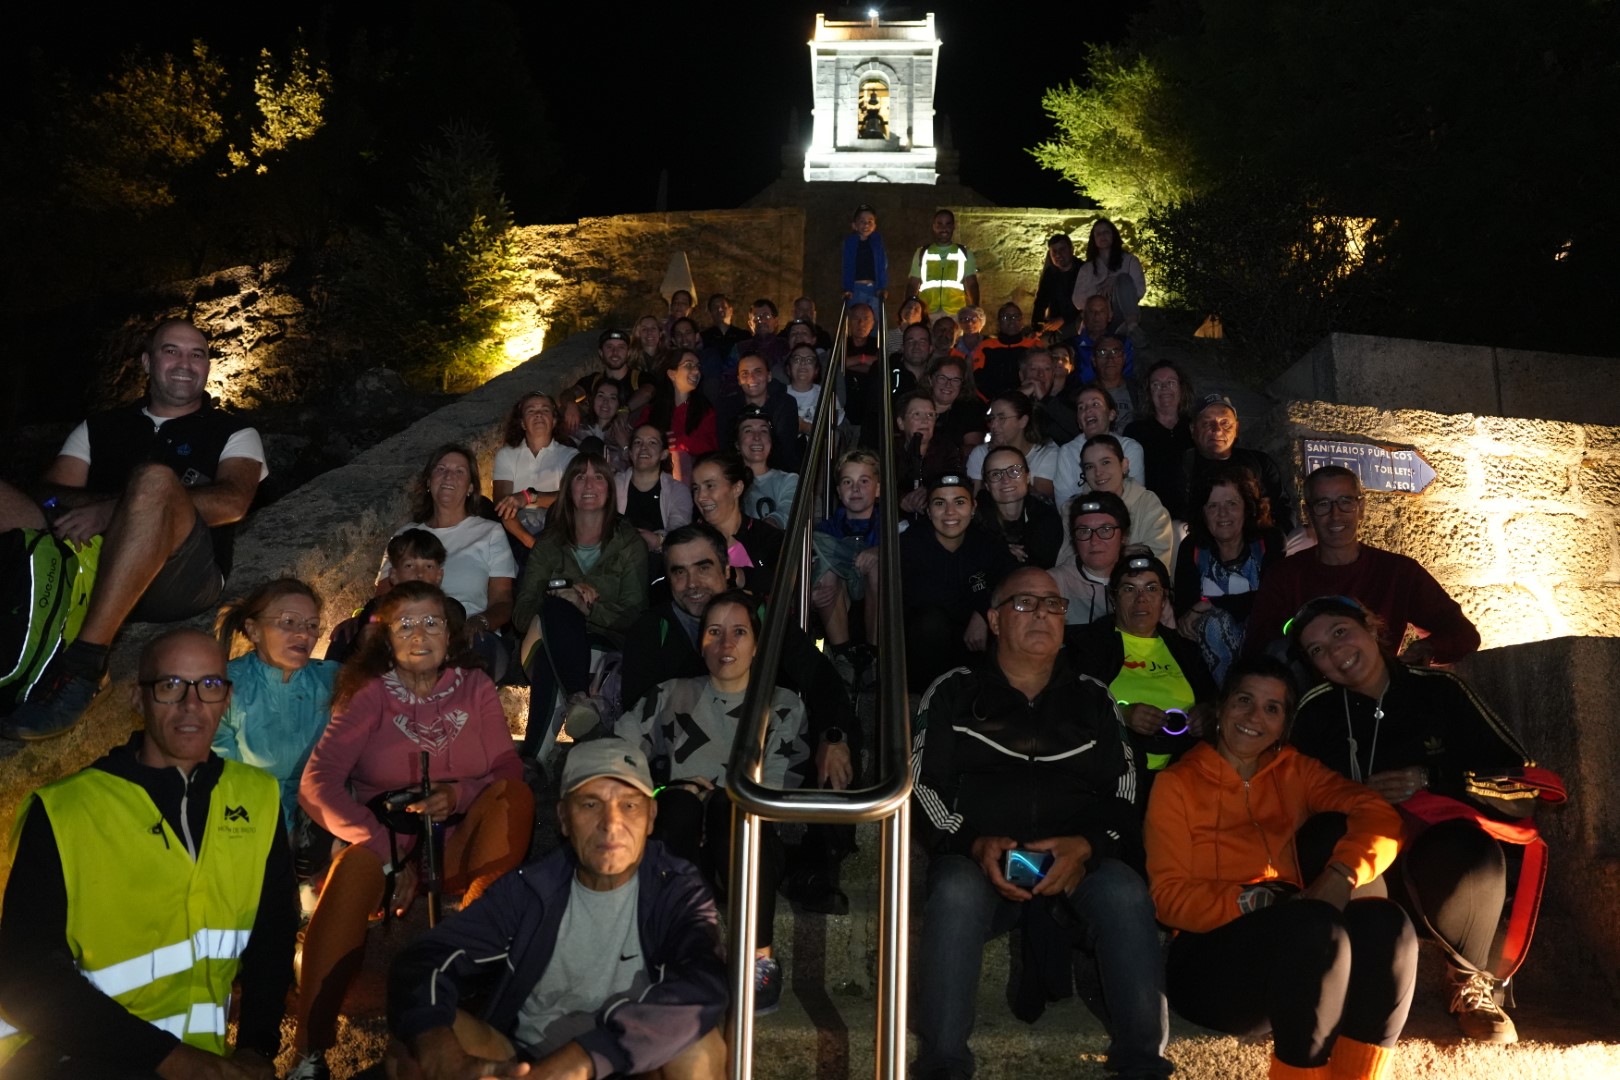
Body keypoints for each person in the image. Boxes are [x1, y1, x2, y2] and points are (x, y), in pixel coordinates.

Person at [911, 566, 1173, 1080]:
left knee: (1123, 892)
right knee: (956, 893)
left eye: (1053, 606)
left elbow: (1123, 792)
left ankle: (1142, 1066)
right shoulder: (953, 691)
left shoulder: (1095, 698)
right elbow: (924, 787)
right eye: (1025, 604)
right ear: (993, 619)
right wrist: (972, 842)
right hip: (979, 856)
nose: (1043, 616)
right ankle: (942, 1066)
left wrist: (1087, 845)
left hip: (1075, 858)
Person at [0, 628, 296, 1079]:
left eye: (209, 686)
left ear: (227, 697)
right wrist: (174, 1061)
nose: (191, 705)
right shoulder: (66, 810)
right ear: (138, 700)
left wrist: (256, 1048)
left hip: (200, 1058)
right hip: (70, 1056)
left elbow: (273, 933)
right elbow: (24, 977)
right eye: (170, 685)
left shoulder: (257, 795)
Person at [1289, 596, 1556, 1044]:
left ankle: (1468, 980)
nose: (1334, 652)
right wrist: (1358, 796)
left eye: (1340, 632)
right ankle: (1354, 975)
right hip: (1366, 872)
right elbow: (1293, 793)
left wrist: (1431, 778)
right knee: (1323, 835)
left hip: (1443, 866)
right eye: (1316, 650)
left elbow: (1517, 777)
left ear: (1372, 627)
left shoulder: (1440, 691)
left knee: (1468, 849)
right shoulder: (1315, 709)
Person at [293, 582, 532, 1080]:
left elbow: (507, 768)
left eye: (432, 622)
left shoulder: (475, 687)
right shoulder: (368, 694)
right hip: (385, 838)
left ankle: (472, 950)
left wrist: (461, 794)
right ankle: (310, 1050)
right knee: (353, 865)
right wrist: (383, 854)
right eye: (406, 623)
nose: (420, 634)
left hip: (457, 840)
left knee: (516, 798)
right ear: (386, 637)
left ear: (450, 633)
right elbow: (316, 784)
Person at [385, 737, 728, 1080]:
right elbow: (424, 961)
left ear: (651, 818)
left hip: (631, 1064)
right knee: (415, 1046)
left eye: (629, 806)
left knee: (700, 1047)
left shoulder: (676, 887)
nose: (611, 824)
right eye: (591, 805)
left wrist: (585, 1059)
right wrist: (438, 1049)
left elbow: (701, 986)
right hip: (530, 1066)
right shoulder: (531, 890)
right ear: (563, 818)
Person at [1145, 657, 1416, 1080]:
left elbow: (1377, 812)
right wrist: (1258, 901)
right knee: (1313, 925)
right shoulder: (1176, 783)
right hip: (1209, 960)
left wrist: (1342, 874)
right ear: (1220, 708)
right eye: (1244, 701)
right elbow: (1168, 899)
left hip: (1297, 949)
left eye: (1272, 708)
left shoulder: (1294, 770)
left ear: (1285, 723)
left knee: (1388, 924)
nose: (1255, 717)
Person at [1, 318, 268, 740]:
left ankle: (86, 664)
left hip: (181, 579)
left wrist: (114, 510)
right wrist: (93, 512)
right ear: (146, 362)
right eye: (171, 351)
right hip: (91, 559)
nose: (186, 362)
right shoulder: (100, 427)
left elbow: (231, 502)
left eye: (197, 354)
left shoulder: (234, 432)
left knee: (156, 480)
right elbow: (49, 493)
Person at [618, 593, 808, 1009]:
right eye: (714, 633)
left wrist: (720, 794)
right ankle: (680, 953)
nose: (726, 645)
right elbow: (620, 753)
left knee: (730, 807)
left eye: (739, 633)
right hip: (684, 840)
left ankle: (759, 959)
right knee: (680, 803)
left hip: (749, 845)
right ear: (701, 642)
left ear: (756, 644)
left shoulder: (782, 705)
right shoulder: (671, 694)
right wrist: (659, 792)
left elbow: (778, 788)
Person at [1243, 466, 1479, 662]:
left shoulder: (1398, 572)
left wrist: (1425, 650)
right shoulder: (1284, 576)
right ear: (1308, 513)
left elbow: (1462, 633)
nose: (1336, 515)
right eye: (1323, 504)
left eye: (1345, 501)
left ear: (1362, 508)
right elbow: (1258, 652)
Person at [214, 578, 337, 913]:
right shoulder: (226, 685)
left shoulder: (333, 680)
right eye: (288, 622)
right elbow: (226, 777)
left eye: (312, 626)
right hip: (251, 821)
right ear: (253, 631)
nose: (304, 634)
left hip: (321, 819)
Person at [514, 453, 650, 746]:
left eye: (598, 477)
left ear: (610, 489)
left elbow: (636, 617)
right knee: (557, 608)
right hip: (542, 638)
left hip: (605, 649)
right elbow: (522, 615)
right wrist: (562, 597)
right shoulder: (547, 545)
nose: (589, 484)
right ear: (568, 489)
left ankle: (532, 759)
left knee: (552, 663)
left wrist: (588, 609)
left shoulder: (629, 544)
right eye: (579, 477)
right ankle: (580, 702)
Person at [1068, 547, 1216, 782]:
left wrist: (1208, 715)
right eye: (1129, 589)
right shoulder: (1088, 646)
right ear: (1113, 598)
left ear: (1164, 599)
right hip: (1116, 771)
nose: (1142, 598)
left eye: (1152, 588)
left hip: (1186, 770)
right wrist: (1121, 715)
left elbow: (1214, 700)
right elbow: (1070, 706)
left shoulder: (1185, 650)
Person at [377, 445, 516, 677]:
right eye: (441, 469)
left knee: (472, 646)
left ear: (471, 487)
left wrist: (479, 622)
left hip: (469, 632)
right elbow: (382, 597)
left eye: (459, 471)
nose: (449, 475)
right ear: (429, 482)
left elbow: (502, 601)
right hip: (412, 630)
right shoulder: (405, 536)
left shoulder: (490, 533)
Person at [898, 473, 1017, 694]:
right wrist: (980, 606)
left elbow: (1011, 582)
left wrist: (983, 614)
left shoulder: (987, 543)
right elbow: (921, 600)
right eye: (940, 503)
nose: (950, 512)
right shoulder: (910, 546)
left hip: (974, 648)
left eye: (959, 502)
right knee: (930, 623)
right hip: (925, 656)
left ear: (973, 508)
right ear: (928, 510)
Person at [1174, 465, 1285, 683]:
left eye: (1232, 504)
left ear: (1247, 507)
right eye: (1213, 506)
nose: (1223, 514)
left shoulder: (1270, 540)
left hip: (1264, 653)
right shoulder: (1192, 547)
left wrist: (1210, 604)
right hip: (1208, 665)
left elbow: (1270, 600)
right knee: (1214, 624)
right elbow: (1186, 613)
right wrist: (1219, 609)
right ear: (1202, 513)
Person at [811, 450, 883, 683]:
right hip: (841, 595)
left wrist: (880, 550)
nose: (855, 489)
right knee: (824, 567)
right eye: (847, 482)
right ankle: (842, 655)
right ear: (839, 491)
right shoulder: (824, 531)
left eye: (864, 481)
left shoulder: (891, 526)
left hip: (875, 593)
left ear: (878, 489)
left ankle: (875, 656)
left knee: (880, 561)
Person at [1182, 393, 1294, 533]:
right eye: (1207, 423)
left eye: (1225, 423)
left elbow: (1282, 507)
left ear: (1236, 428)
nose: (1217, 431)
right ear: (1193, 430)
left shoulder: (1259, 462)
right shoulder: (1183, 467)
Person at [1070, 434, 1174, 569]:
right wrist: (1121, 555)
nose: (1098, 472)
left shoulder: (1149, 505)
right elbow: (1067, 563)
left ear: (1124, 465)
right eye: (1090, 467)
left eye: (1105, 462)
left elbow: (1158, 564)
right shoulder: (1072, 509)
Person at [689, 451, 783, 596]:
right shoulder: (688, 540)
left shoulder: (767, 537)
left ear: (737, 488)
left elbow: (785, 584)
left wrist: (736, 575)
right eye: (696, 488)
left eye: (710, 486)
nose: (700, 497)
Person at [492, 392, 579, 548]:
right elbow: (502, 504)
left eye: (545, 410)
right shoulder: (506, 455)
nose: (538, 414)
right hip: (516, 530)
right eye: (531, 411)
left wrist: (528, 497)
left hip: (555, 528)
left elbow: (572, 497)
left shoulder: (570, 455)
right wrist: (532, 544)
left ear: (554, 421)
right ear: (523, 423)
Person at [615, 423, 694, 569]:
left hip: (660, 565)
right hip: (618, 562)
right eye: (638, 442)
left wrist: (658, 540)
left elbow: (680, 530)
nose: (644, 447)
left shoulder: (677, 490)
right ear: (630, 453)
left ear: (663, 454)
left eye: (652, 442)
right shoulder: (614, 485)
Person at [1053, 385, 1147, 509]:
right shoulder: (1067, 452)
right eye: (1081, 407)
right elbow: (1064, 506)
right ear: (1079, 422)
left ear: (1111, 414)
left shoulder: (1130, 448)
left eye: (1095, 404)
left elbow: (1135, 498)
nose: (1087, 410)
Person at [1124, 360, 1196, 518]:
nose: (1164, 388)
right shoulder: (1135, 432)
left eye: (1170, 383)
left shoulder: (1196, 428)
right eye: (1156, 384)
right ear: (1149, 393)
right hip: (1152, 517)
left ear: (1181, 389)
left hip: (1193, 515)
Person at [974, 445, 1064, 570]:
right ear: (987, 485)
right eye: (995, 474)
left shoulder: (1047, 518)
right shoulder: (973, 522)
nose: (1006, 480)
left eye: (1014, 471)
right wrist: (998, 551)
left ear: (1027, 477)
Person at [1052, 493, 1132, 627]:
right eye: (1084, 531)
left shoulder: (1142, 583)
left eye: (1105, 530)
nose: (1094, 541)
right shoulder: (1054, 584)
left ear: (1123, 536)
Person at [716, 352, 800, 472]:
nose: (751, 378)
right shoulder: (727, 407)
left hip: (778, 472)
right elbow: (725, 448)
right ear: (739, 380)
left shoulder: (785, 404)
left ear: (769, 376)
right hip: (738, 472)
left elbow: (785, 448)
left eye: (758, 371)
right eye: (745, 373)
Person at [967, 391, 1057, 501]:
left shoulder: (1047, 454)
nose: (993, 425)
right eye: (992, 418)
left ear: (1022, 421)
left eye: (1001, 418)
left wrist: (1003, 458)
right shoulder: (980, 453)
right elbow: (975, 500)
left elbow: (1041, 500)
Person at [644, 349, 717, 482]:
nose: (696, 371)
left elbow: (711, 450)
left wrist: (683, 442)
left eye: (697, 366)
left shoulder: (704, 410)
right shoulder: (653, 410)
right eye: (689, 365)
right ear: (672, 374)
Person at [1070, 218, 1147, 337]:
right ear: (1094, 239)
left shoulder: (1130, 261)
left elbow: (1139, 291)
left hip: (1121, 314)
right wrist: (1101, 290)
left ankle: (1132, 326)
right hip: (1098, 318)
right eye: (1098, 234)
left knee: (1123, 279)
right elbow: (1078, 301)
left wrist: (1116, 283)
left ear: (1113, 235)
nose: (1102, 236)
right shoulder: (1087, 268)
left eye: (1106, 232)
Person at [892, 391, 960, 523]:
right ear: (901, 423)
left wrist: (931, 490)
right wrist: (900, 499)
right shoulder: (889, 452)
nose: (925, 420)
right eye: (916, 414)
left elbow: (956, 479)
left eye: (930, 415)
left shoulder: (947, 449)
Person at [907, 208, 980, 317]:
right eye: (939, 224)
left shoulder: (965, 252)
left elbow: (972, 284)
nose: (943, 228)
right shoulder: (922, 252)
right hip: (927, 312)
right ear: (933, 226)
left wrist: (975, 309)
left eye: (948, 224)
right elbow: (913, 284)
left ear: (953, 226)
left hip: (956, 313)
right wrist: (909, 309)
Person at [736, 407, 798, 530]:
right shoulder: (728, 481)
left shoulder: (789, 480)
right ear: (737, 444)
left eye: (763, 431)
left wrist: (772, 522)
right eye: (748, 431)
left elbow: (788, 510)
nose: (757, 437)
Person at [973, 303, 1043, 401]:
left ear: (1021, 321)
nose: (1011, 320)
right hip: (992, 401)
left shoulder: (1034, 345)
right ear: (999, 322)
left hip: (1026, 401)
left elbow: (1041, 375)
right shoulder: (986, 346)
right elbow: (977, 377)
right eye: (1006, 317)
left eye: (1015, 316)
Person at [574, 329, 654, 416]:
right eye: (609, 347)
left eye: (621, 347)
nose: (615, 352)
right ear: (601, 353)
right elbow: (568, 394)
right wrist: (571, 405)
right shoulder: (594, 380)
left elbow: (647, 392)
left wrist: (624, 410)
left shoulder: (641, 378)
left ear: (628, 353)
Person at [926, 356, 986, 457]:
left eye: (955, 380)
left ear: (962, 384)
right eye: (942, 378)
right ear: (931, 380)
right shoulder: (915, 405)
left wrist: (940, 456)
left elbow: (974, 448)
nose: (948, 385)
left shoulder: (970, 409)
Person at [1072, 295, 1136, 384]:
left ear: (1110, 316)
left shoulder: (1123, 344)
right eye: (1091, 311)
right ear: (1083, 315)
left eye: (1102, 311)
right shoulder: (1072, 346)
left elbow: (1128, 377)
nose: (1096, 316)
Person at [1033, 232, 1082, 334]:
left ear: (1071, 250)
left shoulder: (1084, 270)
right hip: (1055, 327)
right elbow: (1041, 301)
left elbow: (1086, 302)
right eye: (1054, 251)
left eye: (1062, 250)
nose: (1058, 255)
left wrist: (1064, 319)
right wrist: (1037, 325)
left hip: (1079, 324)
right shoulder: (1050, 274)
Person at [1090, 335, 1142, 431]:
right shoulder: (1082, 394)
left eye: (1115, 352)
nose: (1110, 358)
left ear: (1124, 358)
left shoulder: (1139, 390)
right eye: (1102, 352)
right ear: (1094, 360)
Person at [842, 203, 888, 310]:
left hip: (874, 288)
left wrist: (882, 287)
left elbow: (882, 265)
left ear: (874, 226)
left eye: (869, 222)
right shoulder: (850, 243)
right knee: (857, 317)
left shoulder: (877, 243)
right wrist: (848, 288)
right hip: (856, 288)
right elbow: (847, 265)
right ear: (854, 225)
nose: (866, 225)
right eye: (862, 221)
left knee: (874, 318)